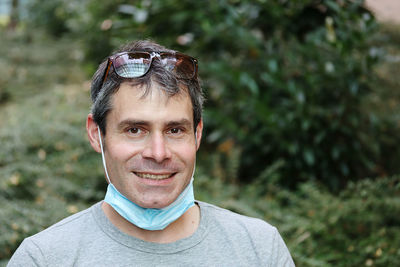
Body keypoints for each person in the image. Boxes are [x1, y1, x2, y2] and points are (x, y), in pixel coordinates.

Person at [8, 40, 295, 266]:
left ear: (197, 134)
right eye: (135, 130)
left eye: (174, 130)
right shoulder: (44, 259)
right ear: (97, 134)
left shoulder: (259, 249)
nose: (158, 153)